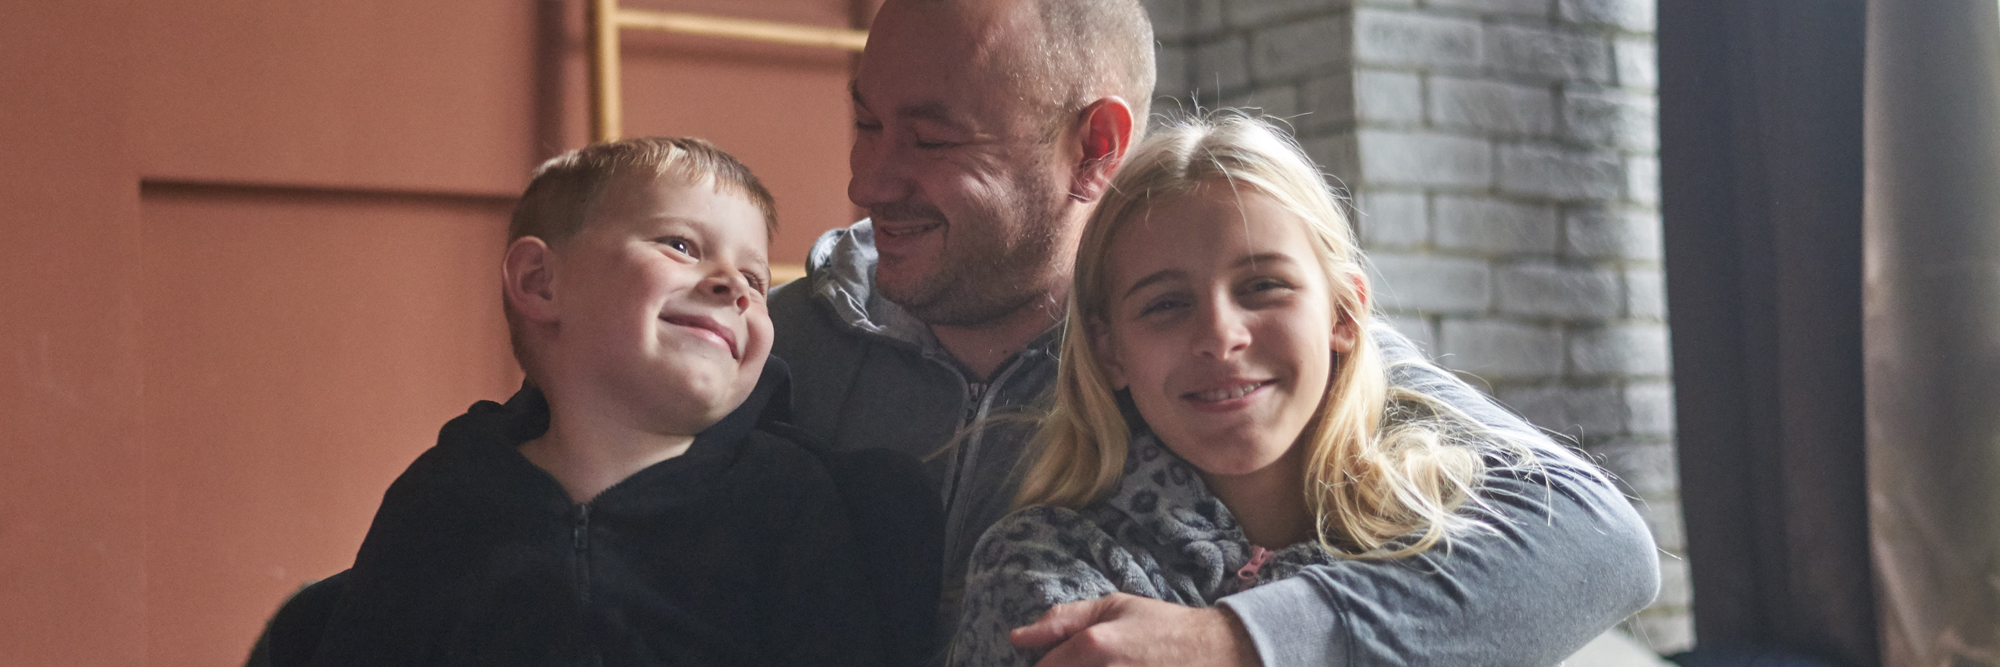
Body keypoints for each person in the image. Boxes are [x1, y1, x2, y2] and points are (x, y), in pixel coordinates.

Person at [768, 0, 1660, 664]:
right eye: (867, 121)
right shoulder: (765, 345)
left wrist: (1234, 641)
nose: (868, 177)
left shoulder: (1229, 355)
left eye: (932, 140)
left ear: (1094, 146)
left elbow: (1597, 539)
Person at [951, 113, 1658, 666]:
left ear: (1346, 316)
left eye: (1263, 286)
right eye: (1165, 304)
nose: (1220, 334)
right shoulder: (1046, 567)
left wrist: (1238, 643)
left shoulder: (1451, 524)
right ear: (1110, 350)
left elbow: (1616, 547)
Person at [253, 137, 939, 667]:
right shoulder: (440, 500)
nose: (733, 285)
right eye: (681, 245)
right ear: (540, 282)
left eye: (756, 280)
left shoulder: (791, 501)